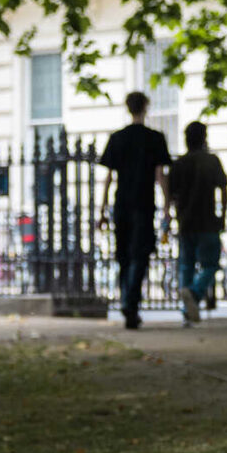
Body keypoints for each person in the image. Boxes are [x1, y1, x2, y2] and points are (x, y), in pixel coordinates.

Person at [99, 93, 175, 330]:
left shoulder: (117, 138)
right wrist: (167, 205)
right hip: (143, 203)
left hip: (121, 203)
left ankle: (127, 299)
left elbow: (109, 178)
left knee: (123, 255)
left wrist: (101, 210)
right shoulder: (154, 138)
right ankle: (131, 301)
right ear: (146, 107)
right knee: (139, 255)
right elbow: (160, 175)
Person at [168, 120, 227, 323]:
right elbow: (223, 188)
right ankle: (194, 294)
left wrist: (171, 215)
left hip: (186, 222)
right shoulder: (211, 161)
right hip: (207, 221)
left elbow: (171, 195)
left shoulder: (179, 163)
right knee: (210, 265)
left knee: (186, 265)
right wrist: (223, 216)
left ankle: (187, 310)